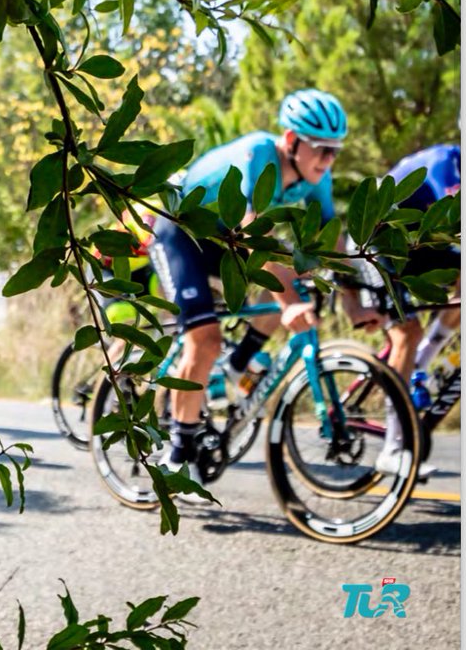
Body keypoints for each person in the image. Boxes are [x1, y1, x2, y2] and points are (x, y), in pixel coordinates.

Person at [148, 89, 380, 501]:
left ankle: (236, 367)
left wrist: (353, 301)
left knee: (295, 283)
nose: (328, 161)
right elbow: (254, 229)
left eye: (335, 152)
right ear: (291, 141)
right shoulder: (257, 154)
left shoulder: (316, 179)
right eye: (321, 150)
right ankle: (177, 454)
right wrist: (289, 300)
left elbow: (333, 242)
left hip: (225, 241)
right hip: (180, 233)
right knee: (205, 338)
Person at [339, 142, 460, 476]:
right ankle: (392, 448)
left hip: (410, 245)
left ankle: (419, 361)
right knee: (407, 332)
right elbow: (453, 213)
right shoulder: (445, 163)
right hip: (374, 242)